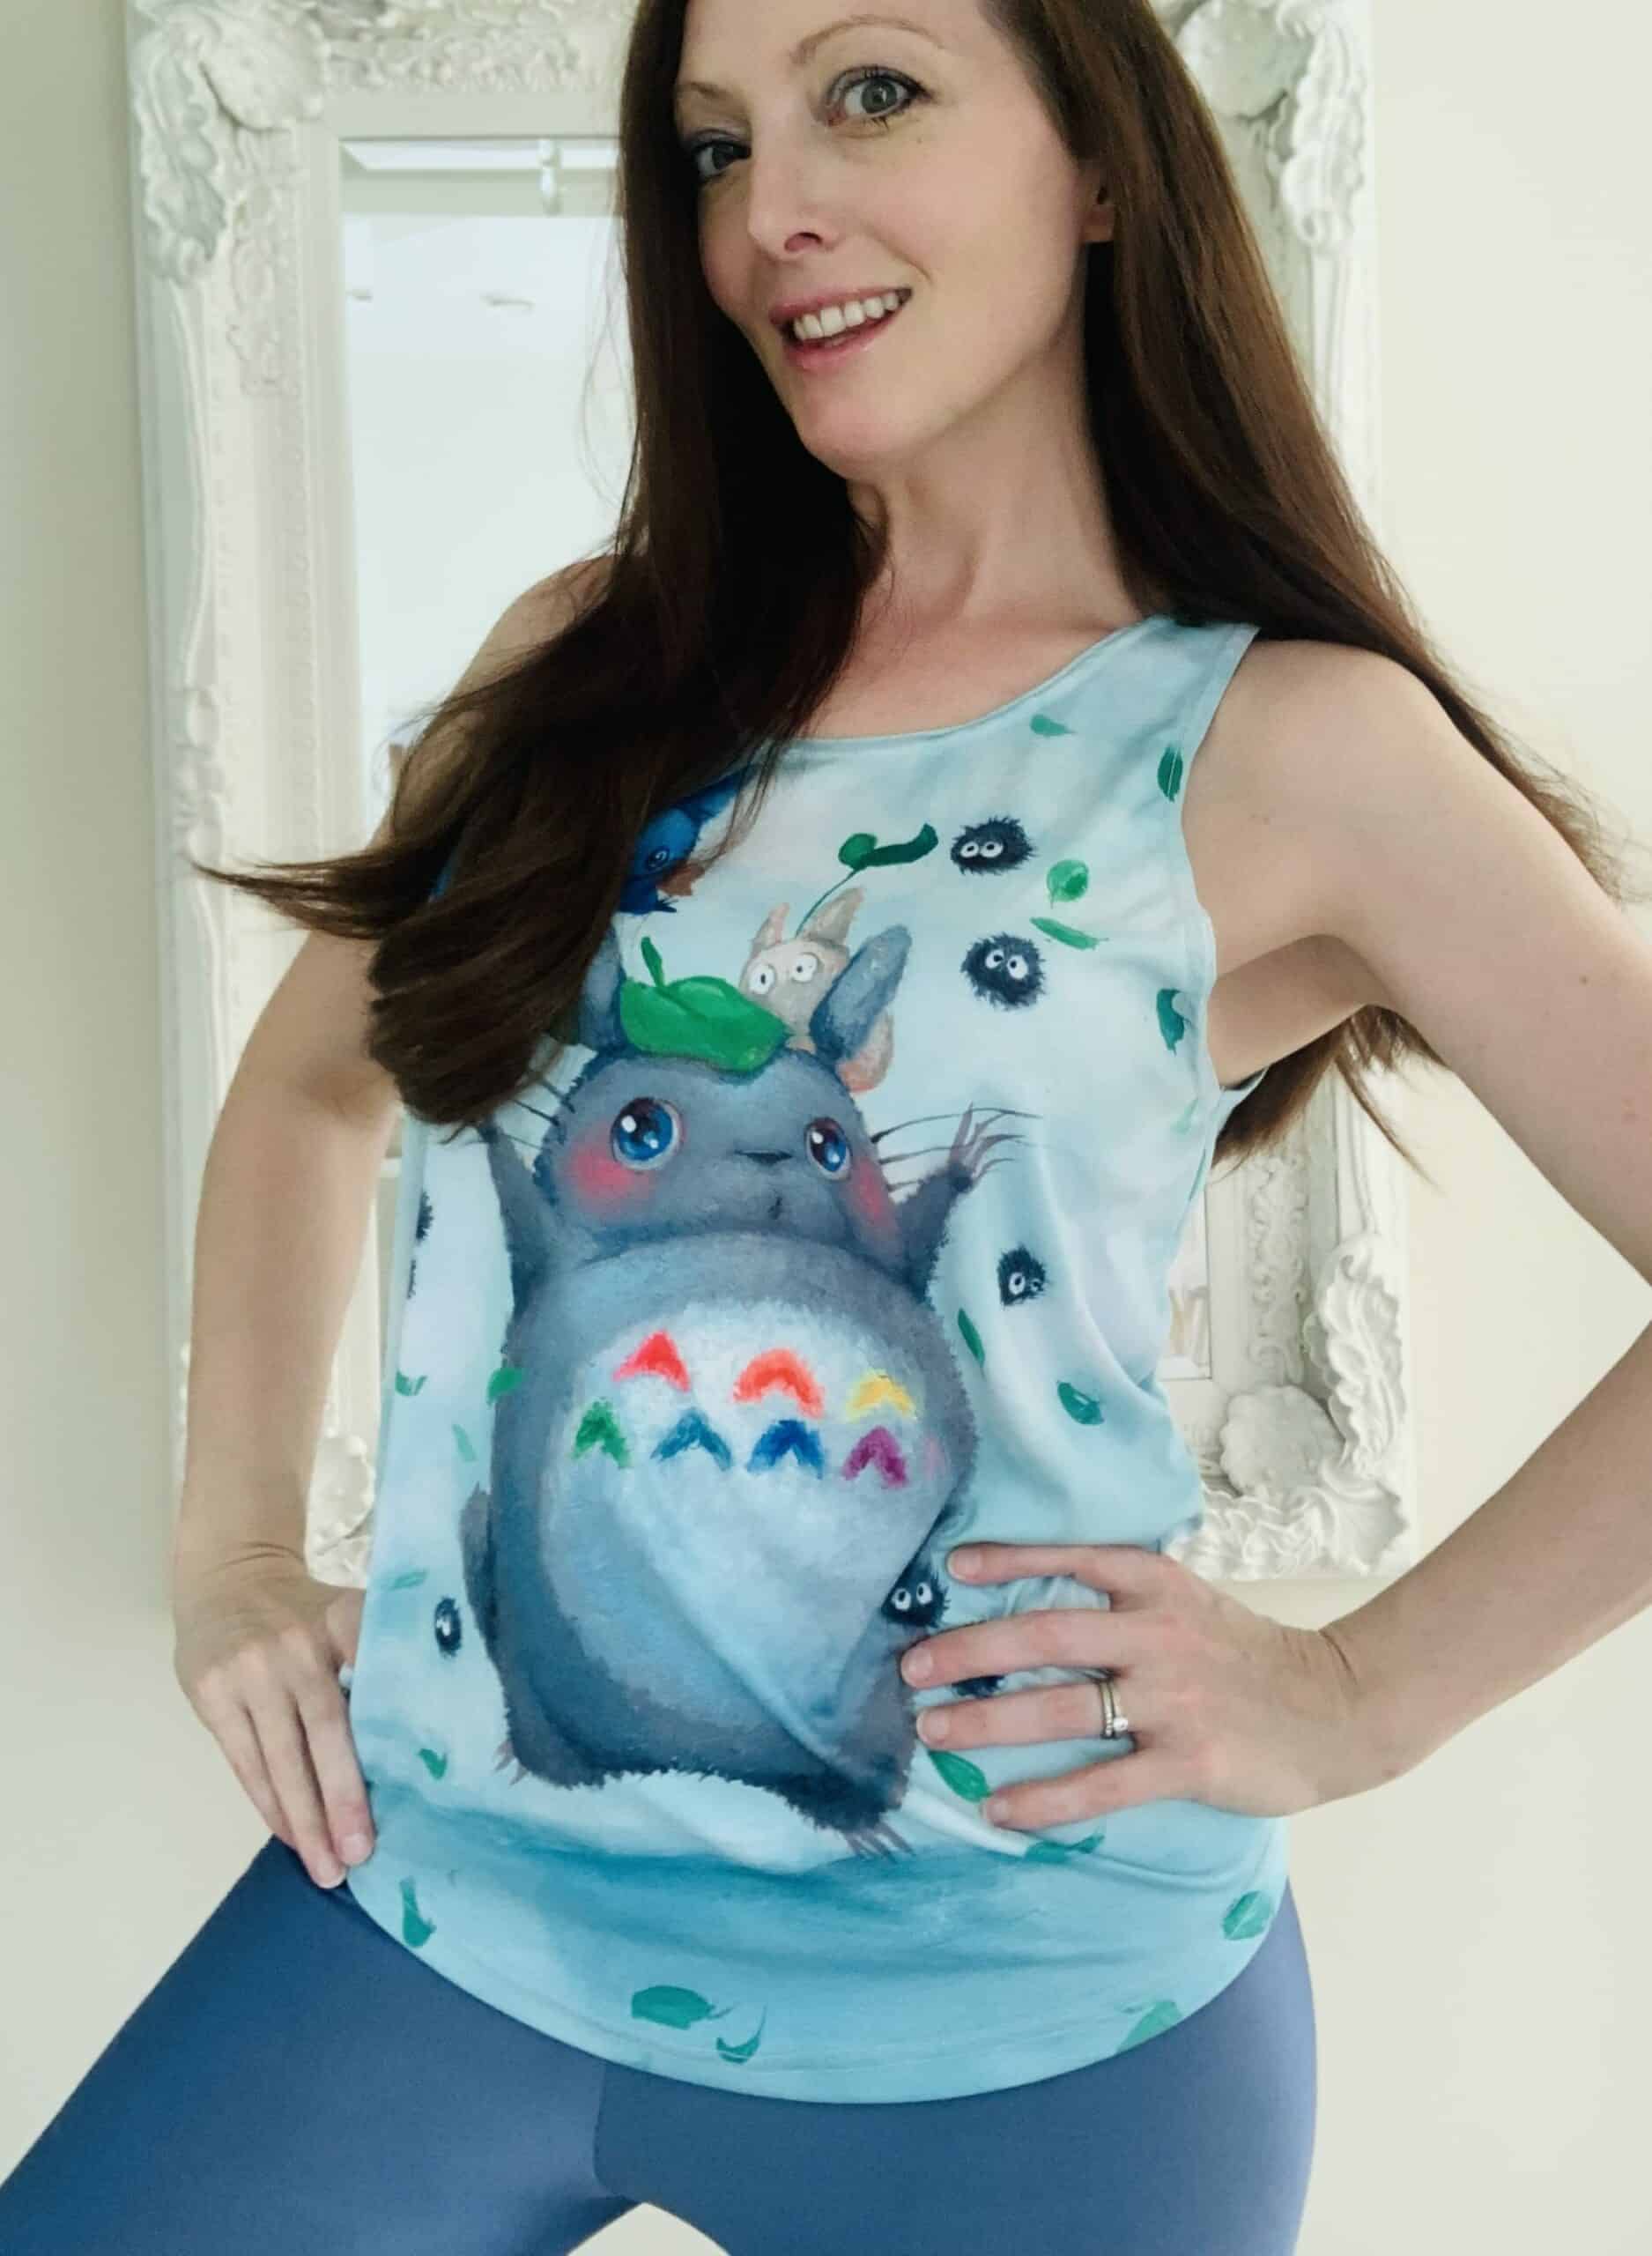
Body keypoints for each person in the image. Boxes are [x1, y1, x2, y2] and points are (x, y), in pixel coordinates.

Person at [7, 0, 1650, 2249]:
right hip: (427, 1903)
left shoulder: (1294, 750)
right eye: (711, 146)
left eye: (868, 92)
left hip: (1024, 2018)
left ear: (1101, 161)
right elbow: (313, 1085)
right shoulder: (584, 664)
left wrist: (1357, 1689)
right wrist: (230, 1554)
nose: (767, 211)